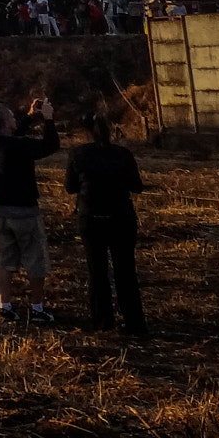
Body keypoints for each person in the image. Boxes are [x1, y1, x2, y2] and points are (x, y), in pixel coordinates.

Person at [65, 114, 148, 337]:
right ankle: (134, 322)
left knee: (97, 271)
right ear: (112, 132)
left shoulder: (78, 154)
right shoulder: (123, 154)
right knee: (126, 271)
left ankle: (103, 321)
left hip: (91, 218)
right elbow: (137, 186)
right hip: (121, 217)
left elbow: (70, 187)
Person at [0, 97, 60, 325]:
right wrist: (48, 119)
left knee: (6, 260)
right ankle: (37, 308)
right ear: (6, 122)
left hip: (2, 210)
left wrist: (29, 116)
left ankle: (5, 306)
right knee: (36, 260)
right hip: (25, 210)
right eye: (11, 116)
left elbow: (14, 134)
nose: (13, 119)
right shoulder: (20, 146)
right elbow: (50, 145)